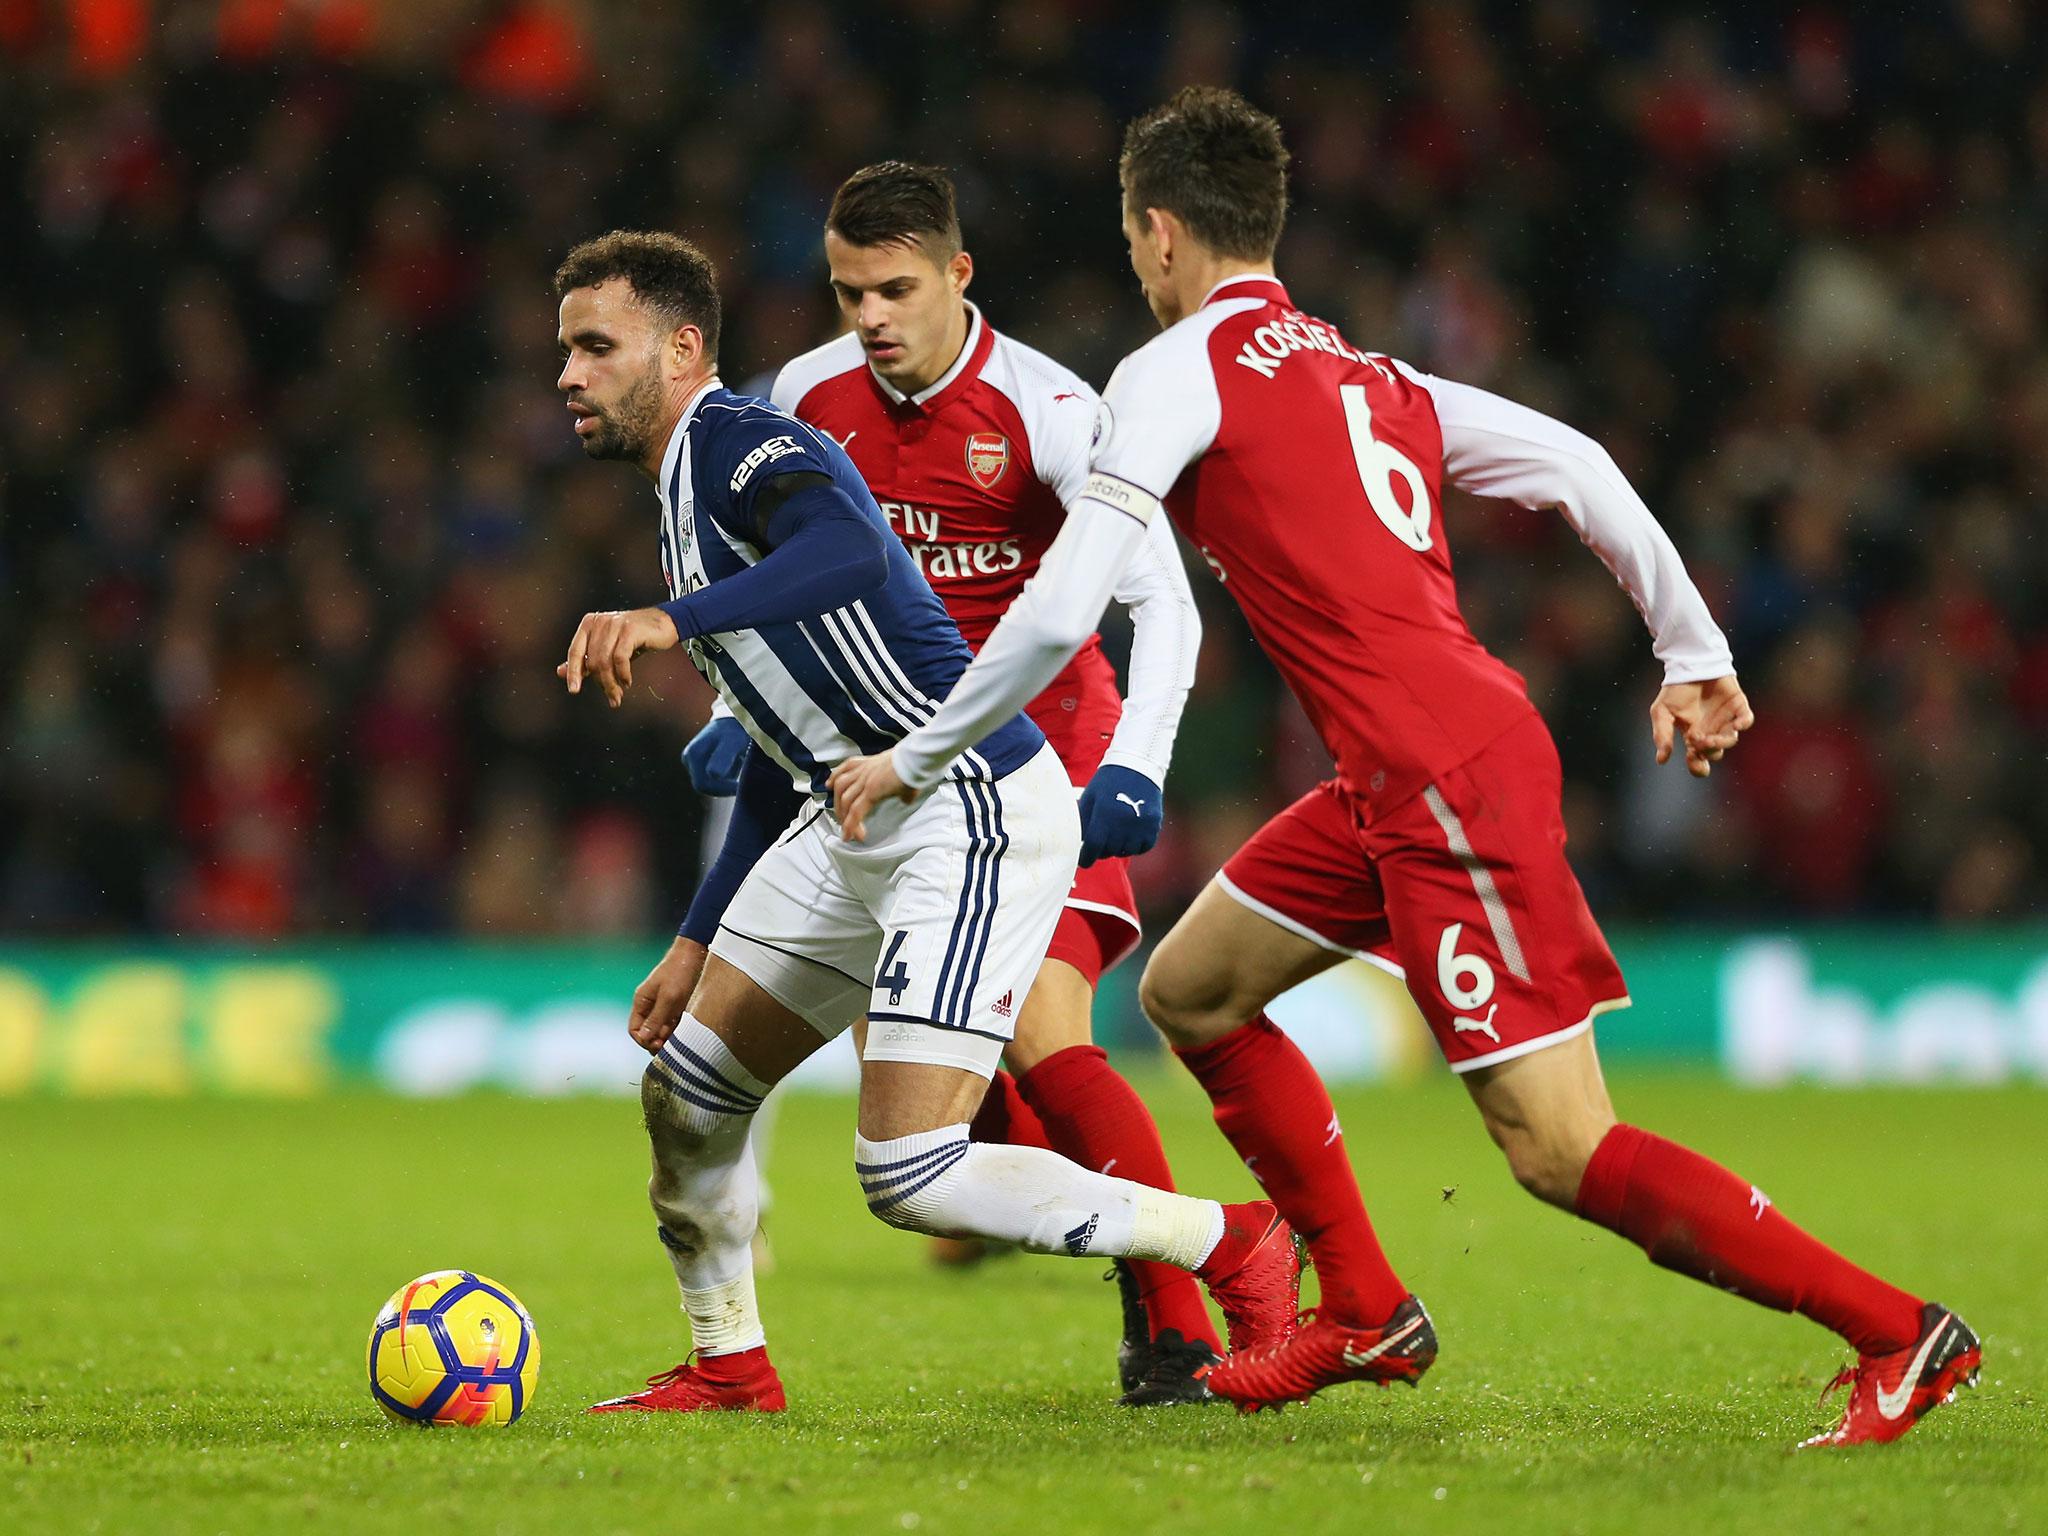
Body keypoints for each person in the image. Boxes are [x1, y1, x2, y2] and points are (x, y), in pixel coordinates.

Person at [826, 89, 1979, 1448]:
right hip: (1394, 776)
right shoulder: (1370, 373)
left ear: (1156, 231)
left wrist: (918, 753)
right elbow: (1580, 465)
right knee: (1194, 992)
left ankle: (1899, 1335)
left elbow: (1069, 607)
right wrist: (1690, 646)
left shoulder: (1173, 368)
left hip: (1445, 777)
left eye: (1137, 240)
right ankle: (1364, 1305)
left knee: (1558, 1148)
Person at [548, 228, 1299, 1414]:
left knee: (908, 1172)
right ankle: (729, 1366)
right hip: (844, 813)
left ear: (682, 348)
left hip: (968, 808)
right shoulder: (681, 496)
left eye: (596, 347)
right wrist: (696, 939)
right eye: (566, 352)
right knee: (687, 1090)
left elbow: (848, 547)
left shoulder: (740, 442)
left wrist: (667, 618)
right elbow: (771, 745)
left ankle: (1232, 1238)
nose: (569, 375)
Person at [679, 160, 1221, 1405]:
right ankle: (1101, 1226)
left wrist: (1135, 763)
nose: (868, 315)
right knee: (926, 1123)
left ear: (957, 276)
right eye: (846, 290)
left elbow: (1162, 605)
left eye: (894, 288)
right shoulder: (804, 397)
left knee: (1043, 1035)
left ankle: (1179, 1318)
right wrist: (728, 707)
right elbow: (770, 576)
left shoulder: (1047, 409)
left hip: (1045, 763)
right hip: (886, 774)